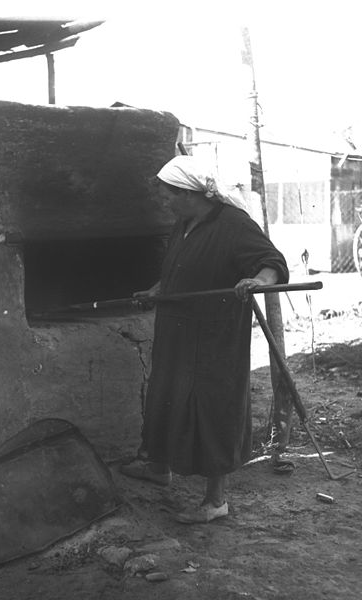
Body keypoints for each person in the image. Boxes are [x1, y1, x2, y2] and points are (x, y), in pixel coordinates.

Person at [121, 155, 289, 524]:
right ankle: (158, 467)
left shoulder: (233, 223)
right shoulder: (183, 223)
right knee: (165, 395)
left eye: (167, 194)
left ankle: (215, 501)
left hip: (214, 334)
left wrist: (258, 282)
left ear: (187, 193)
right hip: (176, 328)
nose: (163, 201)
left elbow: (271, 262)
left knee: (214, 406)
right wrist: (156, 290)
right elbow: (181, 271)